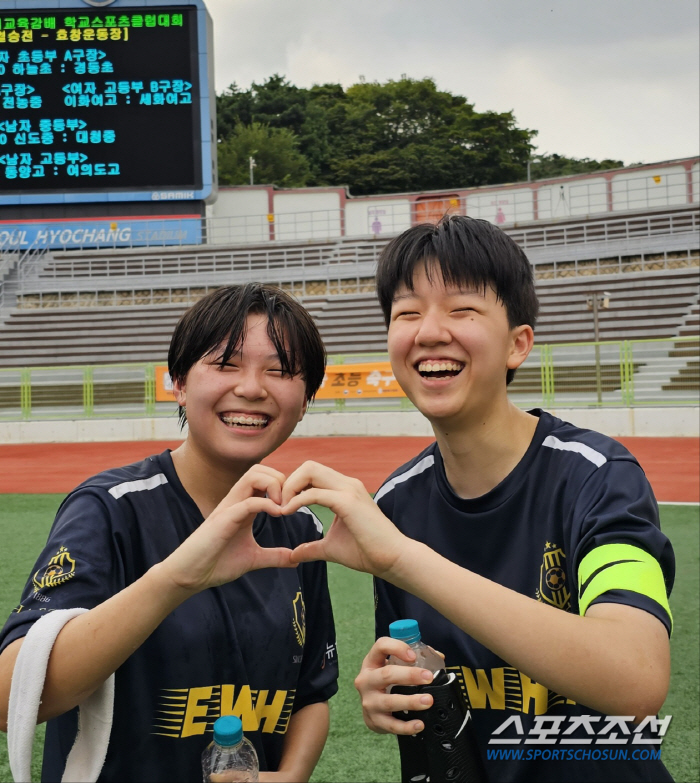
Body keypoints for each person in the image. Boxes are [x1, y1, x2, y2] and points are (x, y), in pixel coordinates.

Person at [277, 216, 675, 781]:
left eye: (462, 309)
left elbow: (635, 682)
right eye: (407, 313)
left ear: (519, 344)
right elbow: (428, 683)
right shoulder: (396, 504)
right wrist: (392, 692)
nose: (429, 332)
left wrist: (402, 558)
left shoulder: (599, 477)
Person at [0, 284, 338, 782]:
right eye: (226, 364)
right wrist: (177, 577)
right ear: (178, 382)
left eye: (281, 371)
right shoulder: (109, 510)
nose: (251, 388)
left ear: (305, 399)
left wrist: (291, 774)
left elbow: (310, 691)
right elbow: (12, 694)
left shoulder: (299, 524)